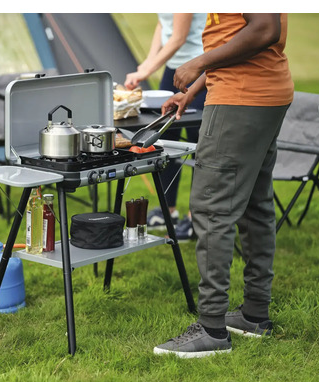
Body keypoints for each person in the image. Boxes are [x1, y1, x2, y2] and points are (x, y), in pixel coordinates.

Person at [153, 13, 294, 358]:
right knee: (256, 206)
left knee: (211, 210)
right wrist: (196, 87)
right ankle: (254, 314)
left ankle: (212, 328)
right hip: (263, 91)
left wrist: (197, 62)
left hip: (240, 99)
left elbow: (265, 28)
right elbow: (232, 37)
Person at [124, 13, 207, 241]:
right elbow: (164, 24)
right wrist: (147, 62)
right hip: (174, 67)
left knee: (198, 143)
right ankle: (167, 210)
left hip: (198, 66)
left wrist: (146, 70)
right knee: (165, 137)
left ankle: (196, 217)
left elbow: (178, 37)